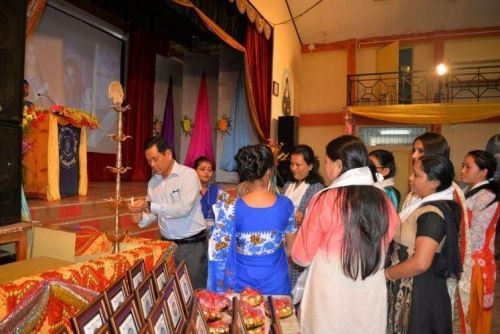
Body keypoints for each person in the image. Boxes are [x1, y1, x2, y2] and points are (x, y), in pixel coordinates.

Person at [291, 135, 400, 334]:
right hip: (369, 289)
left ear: (339, 165)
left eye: (326, 162)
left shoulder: (325, 199)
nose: (324, 167)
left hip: (330, 294)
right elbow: (389, 238)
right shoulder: (383, 199)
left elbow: (301, 256)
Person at [386, 154, 462, 333]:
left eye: (417, 175)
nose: (410, 179)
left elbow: (420, 262)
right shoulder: (423, 205)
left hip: (418, 291)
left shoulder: (431, 214)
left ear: (435, 182)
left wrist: (388, 274)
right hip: (414, 286)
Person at [405, 132, 472, 332]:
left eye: (421, 151)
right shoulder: (417, 188)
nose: (414, 155)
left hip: (433, 271)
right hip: (413, 270)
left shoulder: (450, 191)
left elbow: (456, 238)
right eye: (414, 150)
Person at [208, 144, 297, 294]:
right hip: (276, 283)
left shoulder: (229, 207)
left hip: (241, 285)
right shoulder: (285, 205)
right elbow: (291, 250)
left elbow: (218, 252)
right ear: (269, 171)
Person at [127, 136, 207, 289]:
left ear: (168, 154)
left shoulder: (188, 175)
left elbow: (183, 209)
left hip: (192, 247)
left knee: (195, 294)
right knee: (171, 295)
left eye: (155, 159)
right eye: (149, 161)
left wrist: (149, 205)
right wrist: (139, 217)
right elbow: (154, 214)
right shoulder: (153, 183)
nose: (152, 164)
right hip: (167, 246)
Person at [461, 150, 499, 333]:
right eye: (463, 165)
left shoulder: (486, 196)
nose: (462, 170)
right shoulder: (468, 190)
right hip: (466, 260)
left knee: (472, 318)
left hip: (475, 264)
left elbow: (475, 237)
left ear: (483, 172)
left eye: (468, 166)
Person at [280, 145, 324, 296]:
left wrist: (304, 218)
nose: (293, 168)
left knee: (297, 286)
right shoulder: (288, 185)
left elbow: (318, 218)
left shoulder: (315, 188)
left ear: (310, 166)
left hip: (300, 242)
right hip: (284, 241)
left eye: (298, 165)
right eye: (291, 164)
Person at [193, 156, 227, 223]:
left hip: (214, 229)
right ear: (194, 171)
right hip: (194, 230)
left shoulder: (220, 191)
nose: (206, 172)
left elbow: (224, 214)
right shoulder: (188, 190)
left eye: (209, 170)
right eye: (202, 169)